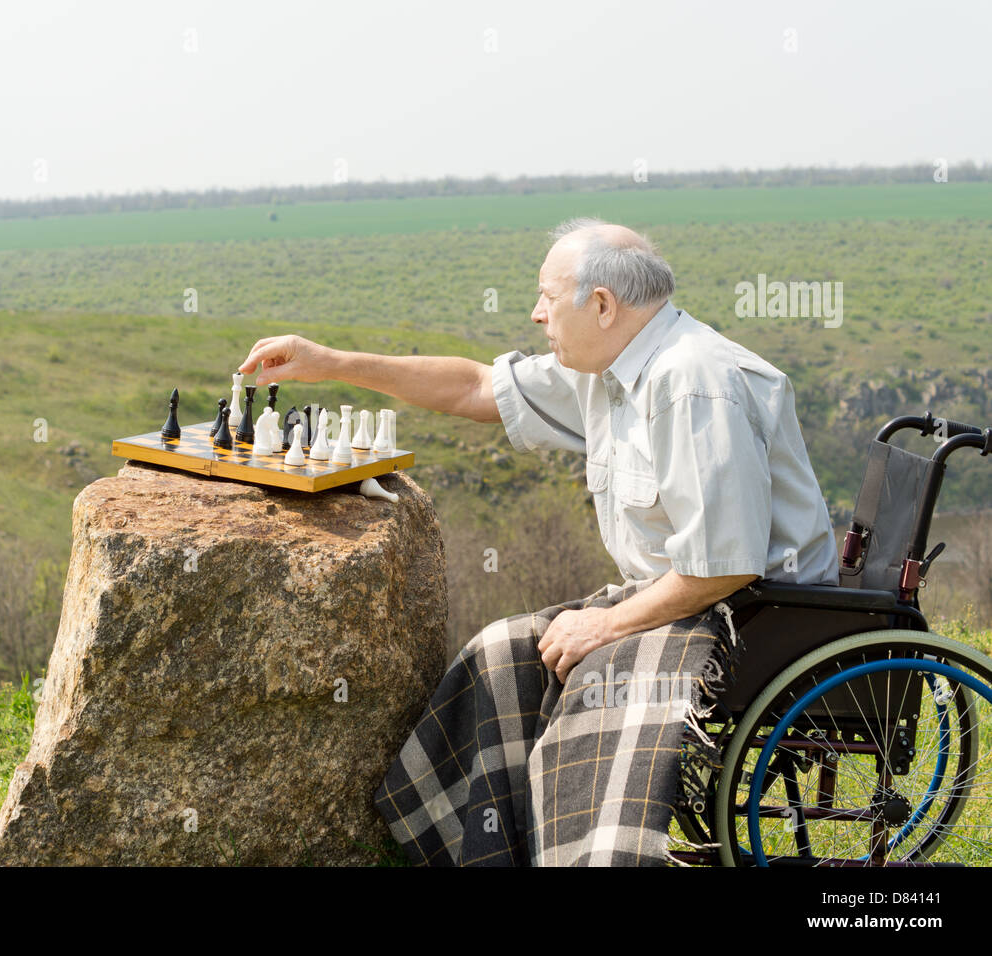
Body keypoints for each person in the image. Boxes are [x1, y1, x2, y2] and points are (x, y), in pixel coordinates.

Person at [237, 217, 838, 865]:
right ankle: (480, 849)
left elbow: (721, 567)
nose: (535, 314)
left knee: (588, 685)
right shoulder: (610, 366)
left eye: (547, 299)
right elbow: (473, 387)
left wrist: (603, 625)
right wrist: (331, 363)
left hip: (750, 614)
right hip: (684, 594)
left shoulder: (690, 382)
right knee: (500, 653)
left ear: (602, 306)